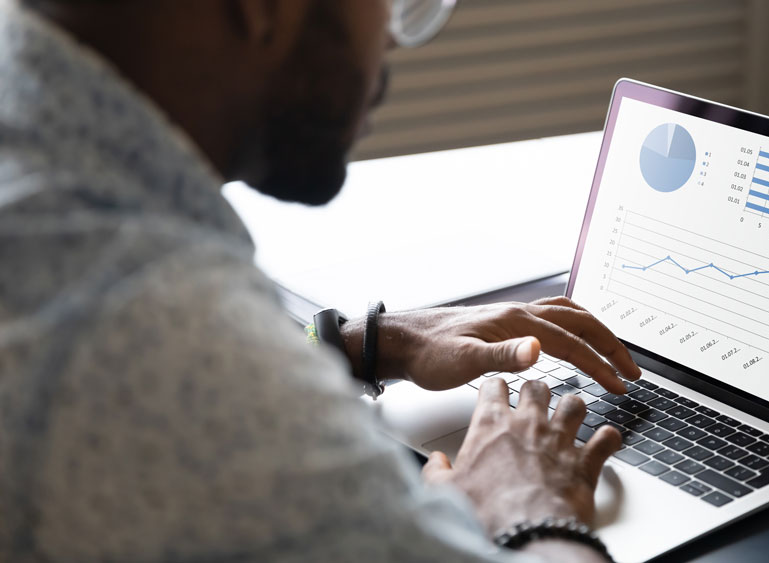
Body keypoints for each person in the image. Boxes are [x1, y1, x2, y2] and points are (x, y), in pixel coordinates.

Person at [0, 1, 644, 561]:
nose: (391, 36)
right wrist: (530, 509)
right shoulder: (155, 321)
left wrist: (357, 344)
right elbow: (179, 370)